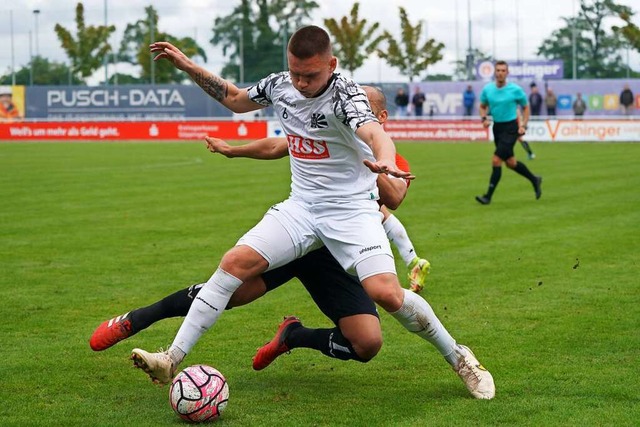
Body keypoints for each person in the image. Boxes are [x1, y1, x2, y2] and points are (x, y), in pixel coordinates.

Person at [129, 26, 494, 399]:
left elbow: (375, 134)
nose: (301, 83)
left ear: (331, 64)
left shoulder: (346, 95)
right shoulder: (279, 85)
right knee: (234, 262)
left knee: (385, 293)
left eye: (311, 75)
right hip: (301, 208)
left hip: (351, 212)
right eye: (295, 73)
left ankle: (460, 357)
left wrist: (384, 160)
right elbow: (236, 98)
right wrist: (188, 66)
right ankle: (171, 358)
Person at [90, 86, 432, 369]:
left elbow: (395, 199)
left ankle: (293, 336)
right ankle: (137, 319)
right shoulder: (325, 125)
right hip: (296, 232)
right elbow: (276, 145)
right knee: (230, 291)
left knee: (367, 344)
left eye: (362, 114)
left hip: (334, 252)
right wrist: (233, 151)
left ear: (379, 119)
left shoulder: (390, 159)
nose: (351, 118)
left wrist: (368, 159)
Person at [475, 60, 542, 205]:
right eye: (498, 70)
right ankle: (535, 179)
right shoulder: (488, 90)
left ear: (507, 73)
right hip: (497, 128)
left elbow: (525, 107)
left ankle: (488, 196)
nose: (500, 73)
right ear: (494, 72)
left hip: (511, 128)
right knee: (511, 163)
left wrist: (523, 124)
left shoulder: (515, 90)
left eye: (503, 70)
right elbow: (482, 106)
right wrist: (484, 118)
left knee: (496, 160)